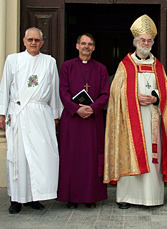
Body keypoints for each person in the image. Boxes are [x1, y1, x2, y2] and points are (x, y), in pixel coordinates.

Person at [103, 14, 167, 209]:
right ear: (135, 42)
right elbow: (115, 94)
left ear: (152, 43)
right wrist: (133, 98)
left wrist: (157, 98)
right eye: (142, 40)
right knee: (131, 153)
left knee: (151, 157)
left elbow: (166, 94)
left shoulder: (158, 66)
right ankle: (126, 198)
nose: (145, 43)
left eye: (148, 40)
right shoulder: (125, 66)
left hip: (152, 118)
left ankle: (151, 198)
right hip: (130, 121)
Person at [0, 27, 63, 214]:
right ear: (24, 41)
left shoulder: (49, 62)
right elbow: (4, 86)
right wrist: (0, 112)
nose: (33, 43)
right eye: (30, 39)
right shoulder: (13, 60)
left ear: (42, 42)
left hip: (40, 115)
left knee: (40, 157)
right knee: (19, 156)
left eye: (37, 40)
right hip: (18, 113)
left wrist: (55, 114)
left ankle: (34, 197)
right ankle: (16, 199)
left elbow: (54, 89)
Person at [57, 33, 109, 209]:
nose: (87, 47)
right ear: (77, 46)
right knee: (71, 158)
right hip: (72, 120)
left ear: (94, 47)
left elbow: (105, 94)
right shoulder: (67, 67)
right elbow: (63, 92)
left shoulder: (101, 69)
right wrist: (76, 109)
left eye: (90, 44)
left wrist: (92, 109)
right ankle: (71, 197)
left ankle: (90, 197)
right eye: (83, 43)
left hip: (93, 121)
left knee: (91, 159)